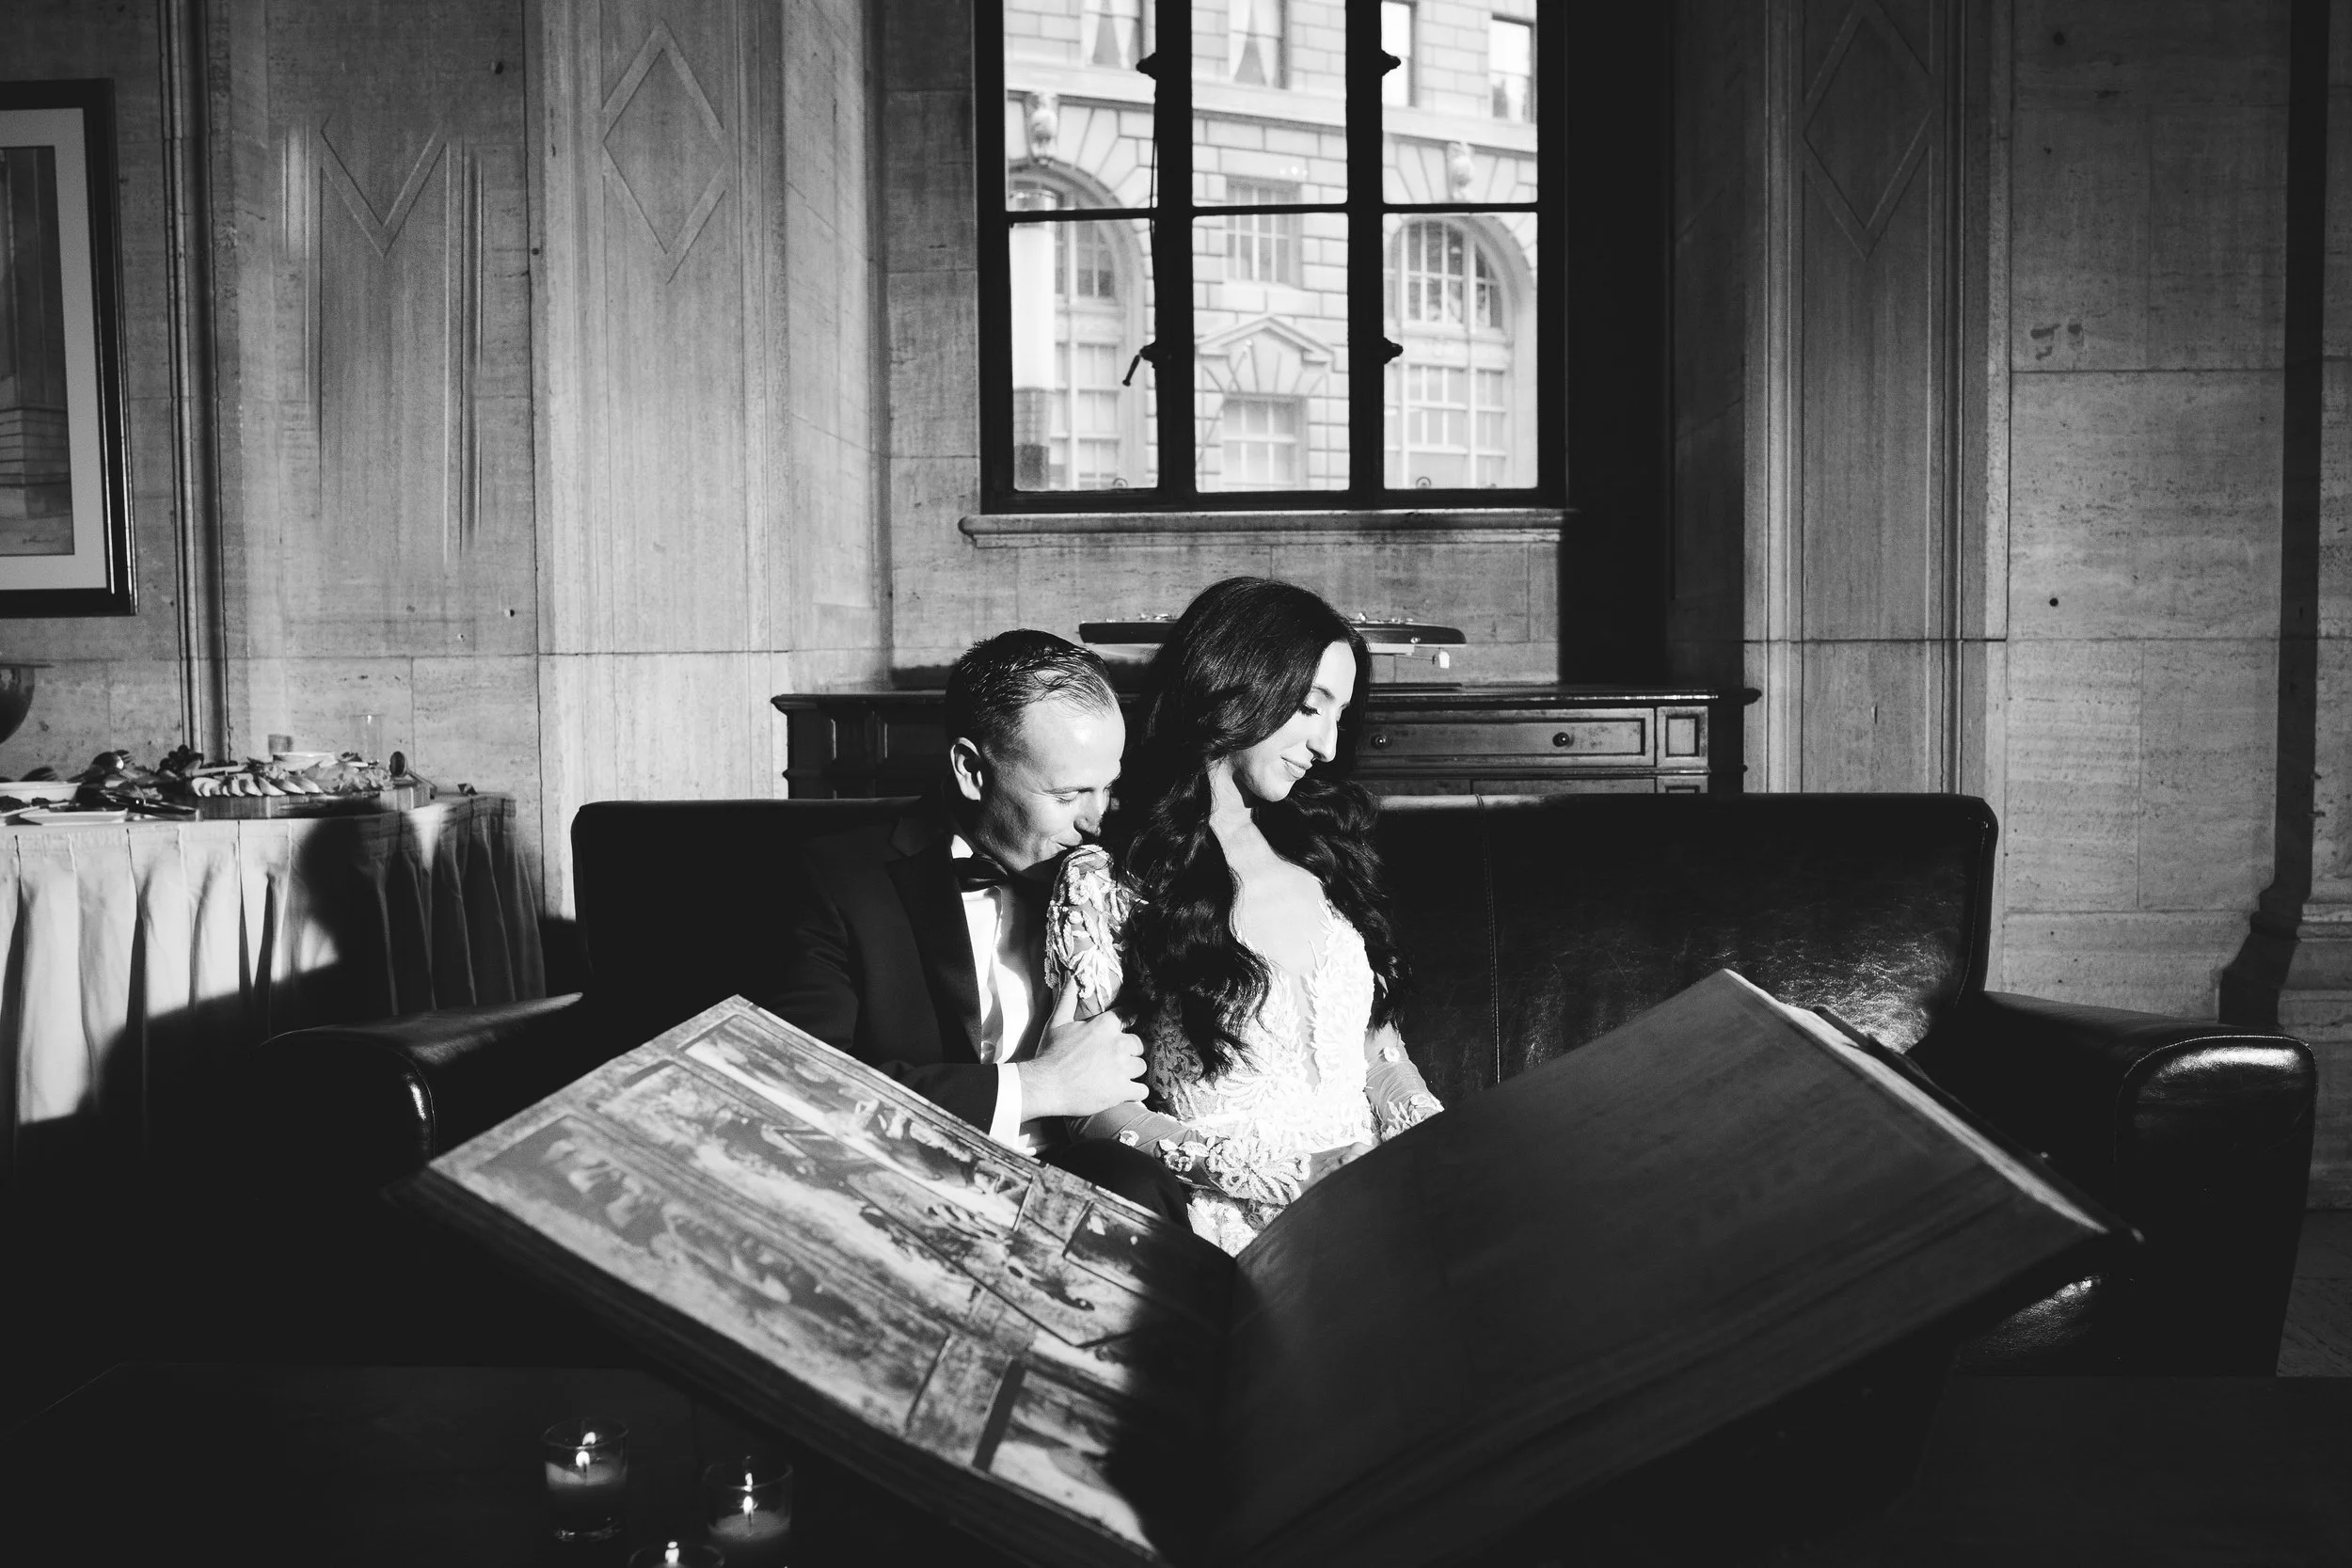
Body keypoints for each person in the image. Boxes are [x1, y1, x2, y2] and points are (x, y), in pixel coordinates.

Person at [1052, 578, 1444, 1254]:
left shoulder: (1325, 849)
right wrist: (1284, 1173)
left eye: (1339, 717)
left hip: (1380, 1202)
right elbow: (1091, 1109)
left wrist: (1442, 1147)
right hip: (1236, 1228)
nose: (1326, 745)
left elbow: (1380, 1057)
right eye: (1310, 707)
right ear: (1236, 685)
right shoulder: (1108, 879)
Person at [760, 630, 1186, 1223]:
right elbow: (802, 1084)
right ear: (971, 770)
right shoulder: (832, 881)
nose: (1098, 819)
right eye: (1068, 794)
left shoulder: (1122, 868)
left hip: (1093, 1179)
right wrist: (1038, 1087)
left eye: (1107, 787)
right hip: (902, 1191)